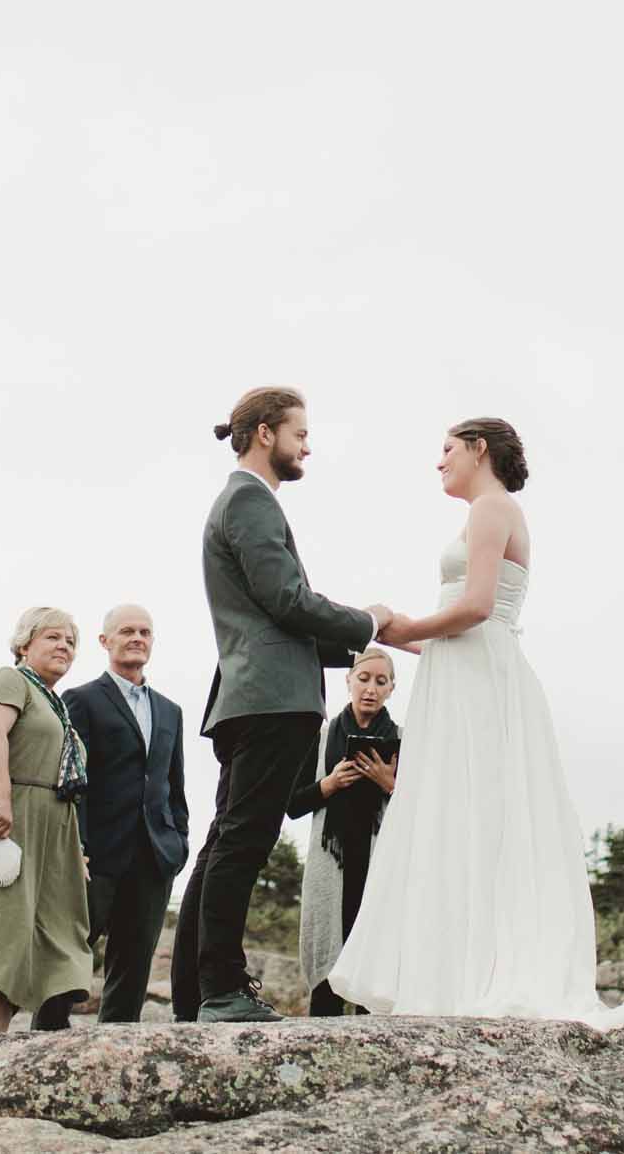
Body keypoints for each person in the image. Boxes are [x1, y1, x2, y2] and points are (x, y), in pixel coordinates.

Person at [326, 419, 624, 1027]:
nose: (439, 462)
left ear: (479, 450)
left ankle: (485, 971)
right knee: (463, 814)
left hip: (483, 683)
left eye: (447, 450)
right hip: (470, 674)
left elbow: (476, 609)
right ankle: (455, 972)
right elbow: (467, 631)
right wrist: (404, 641)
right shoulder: (486, 512)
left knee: (479, 812)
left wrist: (393, 624)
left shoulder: (493, 507)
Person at [171, 387, 394, 1023]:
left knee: (224, 842)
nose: (307, 447)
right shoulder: (250, 500)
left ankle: (196, 994)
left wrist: (354, 650)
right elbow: (287, 599)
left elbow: (277, 620)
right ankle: (221, 990)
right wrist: (366, 622)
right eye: (300, 434)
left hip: (252, 693)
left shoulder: (239, 502)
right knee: (243, 841)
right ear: (266, 433)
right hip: (271, 701)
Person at [0, 606, 92, 1037]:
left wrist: (73, 847)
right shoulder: (7, 680)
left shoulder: (53, 702)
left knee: (35, 932)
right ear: (24, 644)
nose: (64, 646)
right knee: (1, 926)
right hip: (8, 814)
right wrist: (2, 800)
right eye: (53, 637)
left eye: (70, 641)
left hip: (50, 822)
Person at [57, 604, 188, 1024]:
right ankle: (43, 1042)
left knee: (133, 965)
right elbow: (71, 779)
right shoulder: (81, 699)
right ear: (105, 641)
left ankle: (117, 1053)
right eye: (127, 631)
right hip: (97, 854)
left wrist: (178, 840)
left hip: (154, 856)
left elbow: (174, 784)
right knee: (71, 953)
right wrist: (75, 844)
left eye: (145, 632)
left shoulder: (170, 711)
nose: (137, 638)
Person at [289, 648, 401, 1016]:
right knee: (327, 973)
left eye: (380, 681)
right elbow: (292, 804)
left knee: (376, 971)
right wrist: (330, 783)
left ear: (391, 688)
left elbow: (426, 811)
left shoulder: (404, 740)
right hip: (330, 863)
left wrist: (390, 783)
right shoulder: (319, 738)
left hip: (380, 866)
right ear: (348, 681)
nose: (370, 688)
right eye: (364, 678)